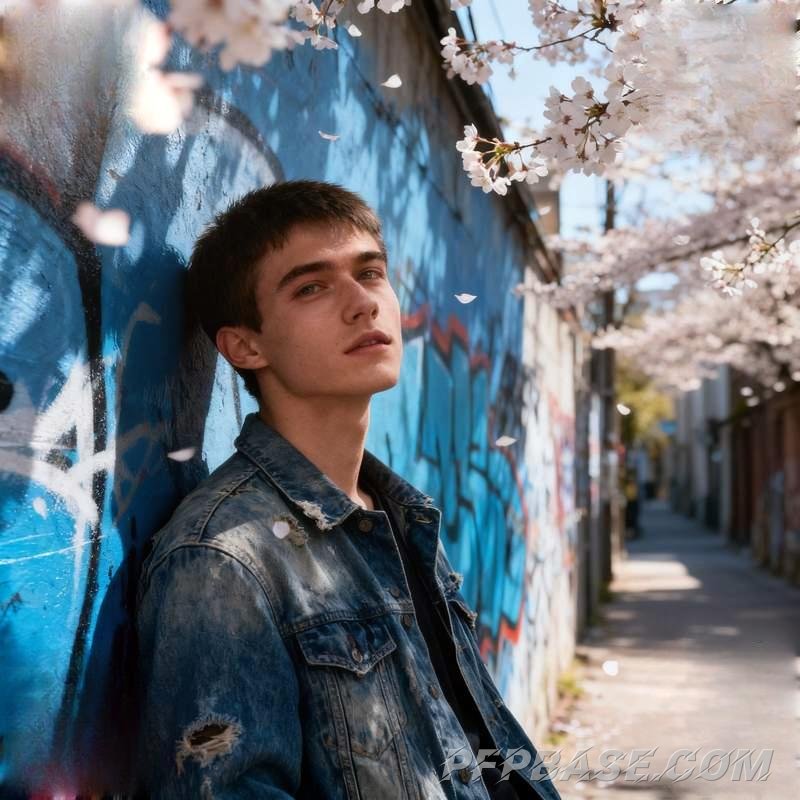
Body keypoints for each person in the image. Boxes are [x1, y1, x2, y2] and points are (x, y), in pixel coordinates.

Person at [135, 180, 562, 799]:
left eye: (370, 272)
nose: (363, 303)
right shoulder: (224, 559)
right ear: (245, 345)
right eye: (311, 287)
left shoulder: (396, 514)